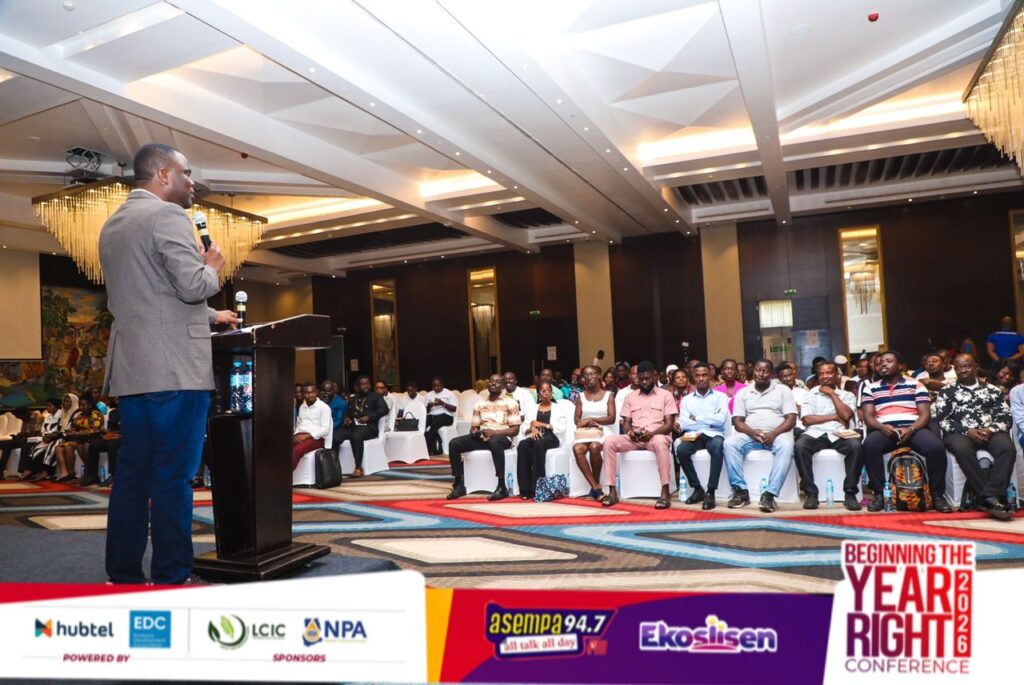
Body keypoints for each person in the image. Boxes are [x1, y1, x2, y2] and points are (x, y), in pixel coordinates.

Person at [99, 142, 241, 585]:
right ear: (163, 174)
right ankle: (172, 575)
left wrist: (212, 316)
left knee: (133, 476)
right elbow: (192, 285)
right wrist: (212, 266)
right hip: (176, 370)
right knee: (174, 477)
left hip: (134, 370)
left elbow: (149, 297)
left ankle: (122, 574)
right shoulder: (168, 216)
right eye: (187, 172)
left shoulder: (114, 223)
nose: (192, 181)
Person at [860, 350, 951, 513]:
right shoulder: (870, 388)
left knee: (935, 447)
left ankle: (937, 495)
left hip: (914, 428)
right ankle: (880, 494)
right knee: (869, 445)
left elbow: (925, 414)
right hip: (885, 429)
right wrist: (882, 427)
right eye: (880, 362)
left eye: (888, 361)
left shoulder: (916, 385)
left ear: (901, 366)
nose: (883, 364)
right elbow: (868, 416)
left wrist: (911, 429)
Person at [933, 354, 1015, 520]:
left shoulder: (992, 390)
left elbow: (1005, 416)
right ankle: (992, 499)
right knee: (962, 449)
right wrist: (968, 431)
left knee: (1007, 449)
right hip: (960, 433)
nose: (963, 370)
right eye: (959, 368)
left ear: (976, 367)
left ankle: (987, 497)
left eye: (967, 366)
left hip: (990, 431)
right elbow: (943, 420)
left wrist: (991, 429)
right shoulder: (947, 391)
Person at [600, 361, 677, 509]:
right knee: (609, 441)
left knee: (661, 442)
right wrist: (630, 432)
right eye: (641, 379)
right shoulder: (630, 397)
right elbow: (626, 422)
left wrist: (652, 434)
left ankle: (665, 491)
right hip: (635, 438)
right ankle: (612, 491)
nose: (644, 382)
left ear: (654, 376)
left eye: (647, 378)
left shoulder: (666, 395)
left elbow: (668, 424)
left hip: (656, 436)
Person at [723, 360, 796, 512]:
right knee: (729, 443)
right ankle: (740, 491)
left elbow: (791, 419)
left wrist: (774, 434)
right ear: (753, 372)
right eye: (758, 370)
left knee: (787, 446)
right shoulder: (743, 393)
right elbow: (737, 421)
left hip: (778, 434)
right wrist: (752, 432)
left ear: (772, 374)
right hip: (751, 435)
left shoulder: (783, 390)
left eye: (765, 371)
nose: (761, 374)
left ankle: (769, 494)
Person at [793, 362, 862, 511]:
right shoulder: (809, 395)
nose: (825, 377)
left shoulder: (847, 395)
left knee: (855, 446)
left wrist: (832, 394)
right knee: (800, 446)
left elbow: (846, 415)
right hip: (815, 433)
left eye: (829, 373)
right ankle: (811, 493)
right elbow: (807, 420)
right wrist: (834, 417)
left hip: (839, 433)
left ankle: (850, 493)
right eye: (821, 374)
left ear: (837, 375)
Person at [446, 373, 521, 501]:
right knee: (454, 443)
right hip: (483, 437)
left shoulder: (511, 403)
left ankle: (501, 487)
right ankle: (459, 484)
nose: (493, 383)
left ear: (503, 386)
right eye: (491, 381)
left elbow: (515, 430)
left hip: (502, 438)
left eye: (497, 382)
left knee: (494, 441)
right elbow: (474, 427)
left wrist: (494, 433)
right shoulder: (479, 404)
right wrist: (475, 432)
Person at [674, 362, 728, 510]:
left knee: (717, 447)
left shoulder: (720, 397)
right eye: (697, 375)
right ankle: (697, 488)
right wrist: (709, 420)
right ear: (693, 377)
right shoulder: (687, 400)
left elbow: (721, 420)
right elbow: (684, 423)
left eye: (704, 375)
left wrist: (696, 418)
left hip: (715, 434)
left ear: (710, 376)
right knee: (681, 450)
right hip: (694, 435)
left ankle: (711, 491)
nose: (701, 378)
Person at [572, 365, 615, 499]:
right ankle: (595, 486)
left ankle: (594, 487)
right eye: (585, 375)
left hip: (603, 430)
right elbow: (577, 419)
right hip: (586, 431)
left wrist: (592, 420)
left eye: (592, 374)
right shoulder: (581, 396)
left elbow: (611, 418)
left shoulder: (608, 395)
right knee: (577, 448)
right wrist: (586, 422)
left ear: (598, 375)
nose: (589, 377)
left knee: (594, 446)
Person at [336, 375, 389, 477]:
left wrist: (369, 417)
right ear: (358, 386)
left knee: (356, 436)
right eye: (363, 384)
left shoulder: (375, 397)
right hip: (353, 427)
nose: (366, 386)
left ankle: (358, 467)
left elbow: (384, 410)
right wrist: (346, 418)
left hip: (369, 428)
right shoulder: (353, 399)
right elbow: (347, 413)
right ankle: (334, 466)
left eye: (367, 384)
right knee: (335, 436)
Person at [517, 381, 561, 499]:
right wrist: (532, 428)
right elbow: (524, 426)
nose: (546, 393)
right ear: (538, 394)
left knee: (539, 444)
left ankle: (538, 487)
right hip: (536, 436)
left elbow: (561, 427)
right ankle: (525, 489)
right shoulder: (533, 408)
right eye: (543, 391)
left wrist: (542, 425)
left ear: (552, 393)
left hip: (551, 437)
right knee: (522, 445)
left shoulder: (558, 408)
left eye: (549, 391)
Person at [62, 393, 104, 486]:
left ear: (90, 405)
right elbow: (73, 427)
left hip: (94, 438)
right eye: (80, 405)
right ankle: (73, 474)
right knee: (68, 447)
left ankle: (89, 474)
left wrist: (77, 433)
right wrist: (71, 432)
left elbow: (95, 430)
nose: (81, 407)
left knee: (85, 445)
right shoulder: (79, 416)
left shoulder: (96, 414)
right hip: (80, 439)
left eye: (83, 405)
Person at [292, 382, 332, 469]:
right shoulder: (302, 407)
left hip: (316, 439)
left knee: (296, 450)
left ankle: (284, 476)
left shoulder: (324, 407)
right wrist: (295, 436)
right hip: (301, 435)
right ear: (303, 394)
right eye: (307, 393)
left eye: (312, 392)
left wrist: (306, 436)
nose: (310, 395)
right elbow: (300, 424)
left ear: (316, 392)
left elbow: (325, 430)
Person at [47, 393, 81, 481]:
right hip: (66, 438)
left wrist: (57, 435)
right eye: (64, 401)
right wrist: (54, 434)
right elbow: (60, 429)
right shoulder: (63, 413)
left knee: (67, 447)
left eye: (67, 401)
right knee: (58, 448)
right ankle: (64, 473)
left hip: (76, 438)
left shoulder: (77, 414)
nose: (64, 403)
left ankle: (71, 472)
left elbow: (73, 430)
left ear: (73, 402)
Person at [86, 401, 120, 486]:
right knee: (94, 445)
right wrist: (106, 432)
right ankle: (93, 475)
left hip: (125, 436)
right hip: (112, 435)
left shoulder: (130, 412)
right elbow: (110, 428)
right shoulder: (113, 412)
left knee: (111, 445)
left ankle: (114, 475)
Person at [424, 376, 458, 457]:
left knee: (435, 422)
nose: (436, 388)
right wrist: (429, 406)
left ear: (442, 385)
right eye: (434, 386)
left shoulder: (449, 393)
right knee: (423, 423)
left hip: (446, 416)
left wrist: (442, 403)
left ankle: (424, 446)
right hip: (432, 415)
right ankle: (428, 447)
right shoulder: (429, 394)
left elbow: (454, 409)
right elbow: (426, 411)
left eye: (438, 385)